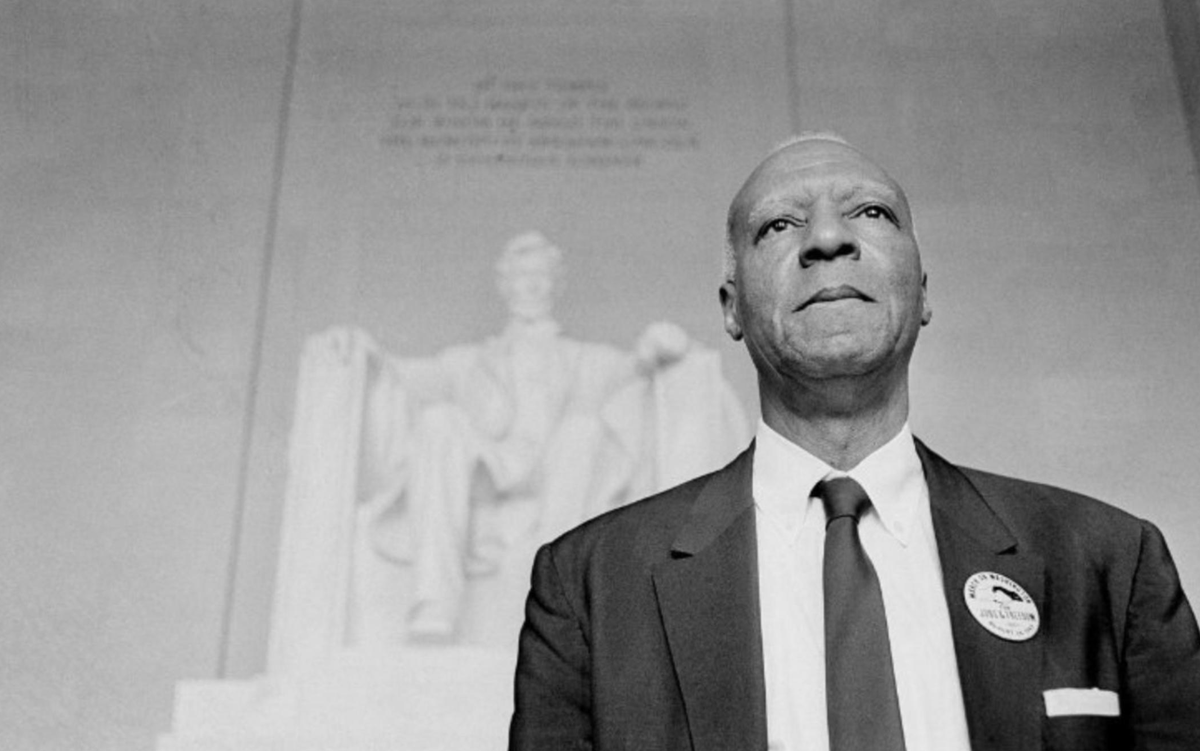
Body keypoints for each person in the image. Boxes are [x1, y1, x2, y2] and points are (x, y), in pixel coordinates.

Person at [508, 133, 1200, 749]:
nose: (828, 240)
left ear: (923, 291)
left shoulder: (1111, 561)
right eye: (780, 224)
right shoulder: (589, 587)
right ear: (731, 308)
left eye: (870, 212)